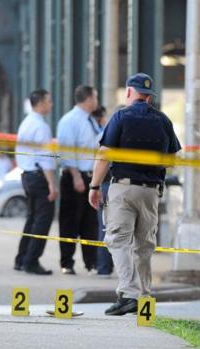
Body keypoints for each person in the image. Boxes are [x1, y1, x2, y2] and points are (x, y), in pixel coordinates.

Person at [88, 73, 181, 315]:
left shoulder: (121, 116)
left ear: (130, 92)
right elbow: (172, 161)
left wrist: (95, 186)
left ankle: (128, 294)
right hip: (151, 192)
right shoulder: (163, 120)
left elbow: (104, 155)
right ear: (150, 96)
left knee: (118, 240)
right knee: (144, 245)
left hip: (123, 188)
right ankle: (144, 295)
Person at [56, 85, 100, 275]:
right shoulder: (70, 120)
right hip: (75, 176)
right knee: (70, 222)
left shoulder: (91, 121)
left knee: (90, 223)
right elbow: (67, 151)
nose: (97, 102)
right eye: (95, 97)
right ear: (89, 98)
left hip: (91, 177)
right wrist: (76, 177)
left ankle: (91, 263)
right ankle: (67, 263)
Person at [13, 89, 58, 275]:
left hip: (27, 175)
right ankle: (31, 262)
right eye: (49, 101)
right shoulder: (41, 127)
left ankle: (22, 259)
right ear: (40, 103)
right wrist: (51, 184)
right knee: (42, 220)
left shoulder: (26, 122)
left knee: (32, 219)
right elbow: (45, 158)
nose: (51, 104)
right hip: (39, 176)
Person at [91, 105, 114, 277]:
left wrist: (94, 186)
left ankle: (104, 267)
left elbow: (99, 161)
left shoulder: (104, 136)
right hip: (125, 185)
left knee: (105, 227)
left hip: (107, 185)